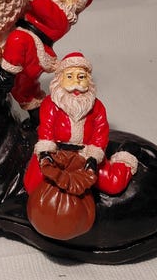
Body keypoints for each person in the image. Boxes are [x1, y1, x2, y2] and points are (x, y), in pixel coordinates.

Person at [0, 0, 93, 128]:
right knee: (24, 88)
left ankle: (4, 76)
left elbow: (43, 6)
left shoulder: (61, 19)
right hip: (21, 45)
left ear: (72, 5)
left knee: (18, 40)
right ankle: (38, 117)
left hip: (32, 48)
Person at [23, 52, 138, 195]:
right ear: (60, 79)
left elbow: (100, 135)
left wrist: (93, 158)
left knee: (113, 184)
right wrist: (46, 154)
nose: (76, 83)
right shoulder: (50, 104)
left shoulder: (97, 107)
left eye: (81, 77)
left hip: (84, 154)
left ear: (88, 80)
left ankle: (125, 157)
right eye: (69, 77)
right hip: (56, 153)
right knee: (33, 186)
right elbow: (46, 130)